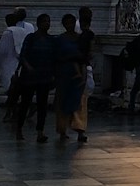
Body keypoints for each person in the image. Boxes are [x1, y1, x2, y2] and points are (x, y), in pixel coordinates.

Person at [13, 14, 59, 143]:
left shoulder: (51, 40)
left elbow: (54, 58)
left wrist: (54, 75)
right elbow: (23, 55)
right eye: (45, 21)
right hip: (29, 77)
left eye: (48, 21)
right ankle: (19, 129)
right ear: (38, 24)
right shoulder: (31, 38)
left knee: (42, 105)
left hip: (44, 77)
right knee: (25, 103)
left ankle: (40, 131)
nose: (47, 24)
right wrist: (28, 67)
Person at [52, 13, 88, 144]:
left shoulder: (80, 39)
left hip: (78, 73)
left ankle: (80, 130)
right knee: (62, 101)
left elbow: (85, 56)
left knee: (79, 101)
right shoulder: (60, 40)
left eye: (72, 23)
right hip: (64, 73)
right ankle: (62, 130)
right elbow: (55, 57)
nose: (70, 26)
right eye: (67, 23)